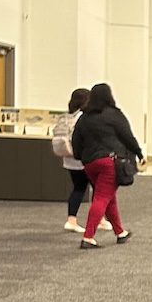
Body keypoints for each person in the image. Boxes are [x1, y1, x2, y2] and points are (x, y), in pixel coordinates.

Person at [71, 82, 142, 249]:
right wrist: (138, 153)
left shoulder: (84, 117)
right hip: (109, 162)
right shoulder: (114, 114)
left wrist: (81, 157)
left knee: (108, 196)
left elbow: (76, 140)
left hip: (90, 163)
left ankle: (120, 232)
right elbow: (127, 136)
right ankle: (88, 237)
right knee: (102, 198)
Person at [51, 87, 109, 234]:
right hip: (83, 159)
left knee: (78, 188)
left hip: (69, 158)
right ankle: (99, 219)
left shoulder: (67, 116)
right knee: (98, 189)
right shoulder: (83, 117)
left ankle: (72, 219)